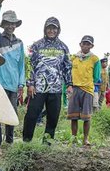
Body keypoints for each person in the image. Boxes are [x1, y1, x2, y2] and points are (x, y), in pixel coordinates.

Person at [22, 17, 73, 145]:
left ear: (58, 30)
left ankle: (47, 144)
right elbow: (30, 65)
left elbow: (67, 67)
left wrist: (69, 84)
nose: (51, 30)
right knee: (32, 115)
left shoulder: (63, 47)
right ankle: (26, 141)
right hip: (38, 88)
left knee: (53, 117)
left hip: (55, 88)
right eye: (49, 28)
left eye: (54, 28)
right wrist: (30, 84)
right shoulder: (36, 45)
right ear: (45, 29)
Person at [0, 0, 25, 156]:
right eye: (8, 23)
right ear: (4, 24)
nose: (10, 25)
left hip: (13, 84)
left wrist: (21, 83)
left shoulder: (19, 42)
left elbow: (21, 65)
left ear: (15, 25)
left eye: (13, 23)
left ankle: (9, 141)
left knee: (11, 113)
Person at [68, 35, 101, 146]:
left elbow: (96, 76)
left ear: (92, 46)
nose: (86, 46)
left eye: (88, 44)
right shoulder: (73, 58)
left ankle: (85, 139)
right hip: (74, 89)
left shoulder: (95, 59)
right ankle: (73, 138)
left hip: (87, 90)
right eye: (84, 43)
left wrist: (87, 82)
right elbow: (68, 73)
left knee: (86, 117)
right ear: (80, 44)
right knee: (74, 116)